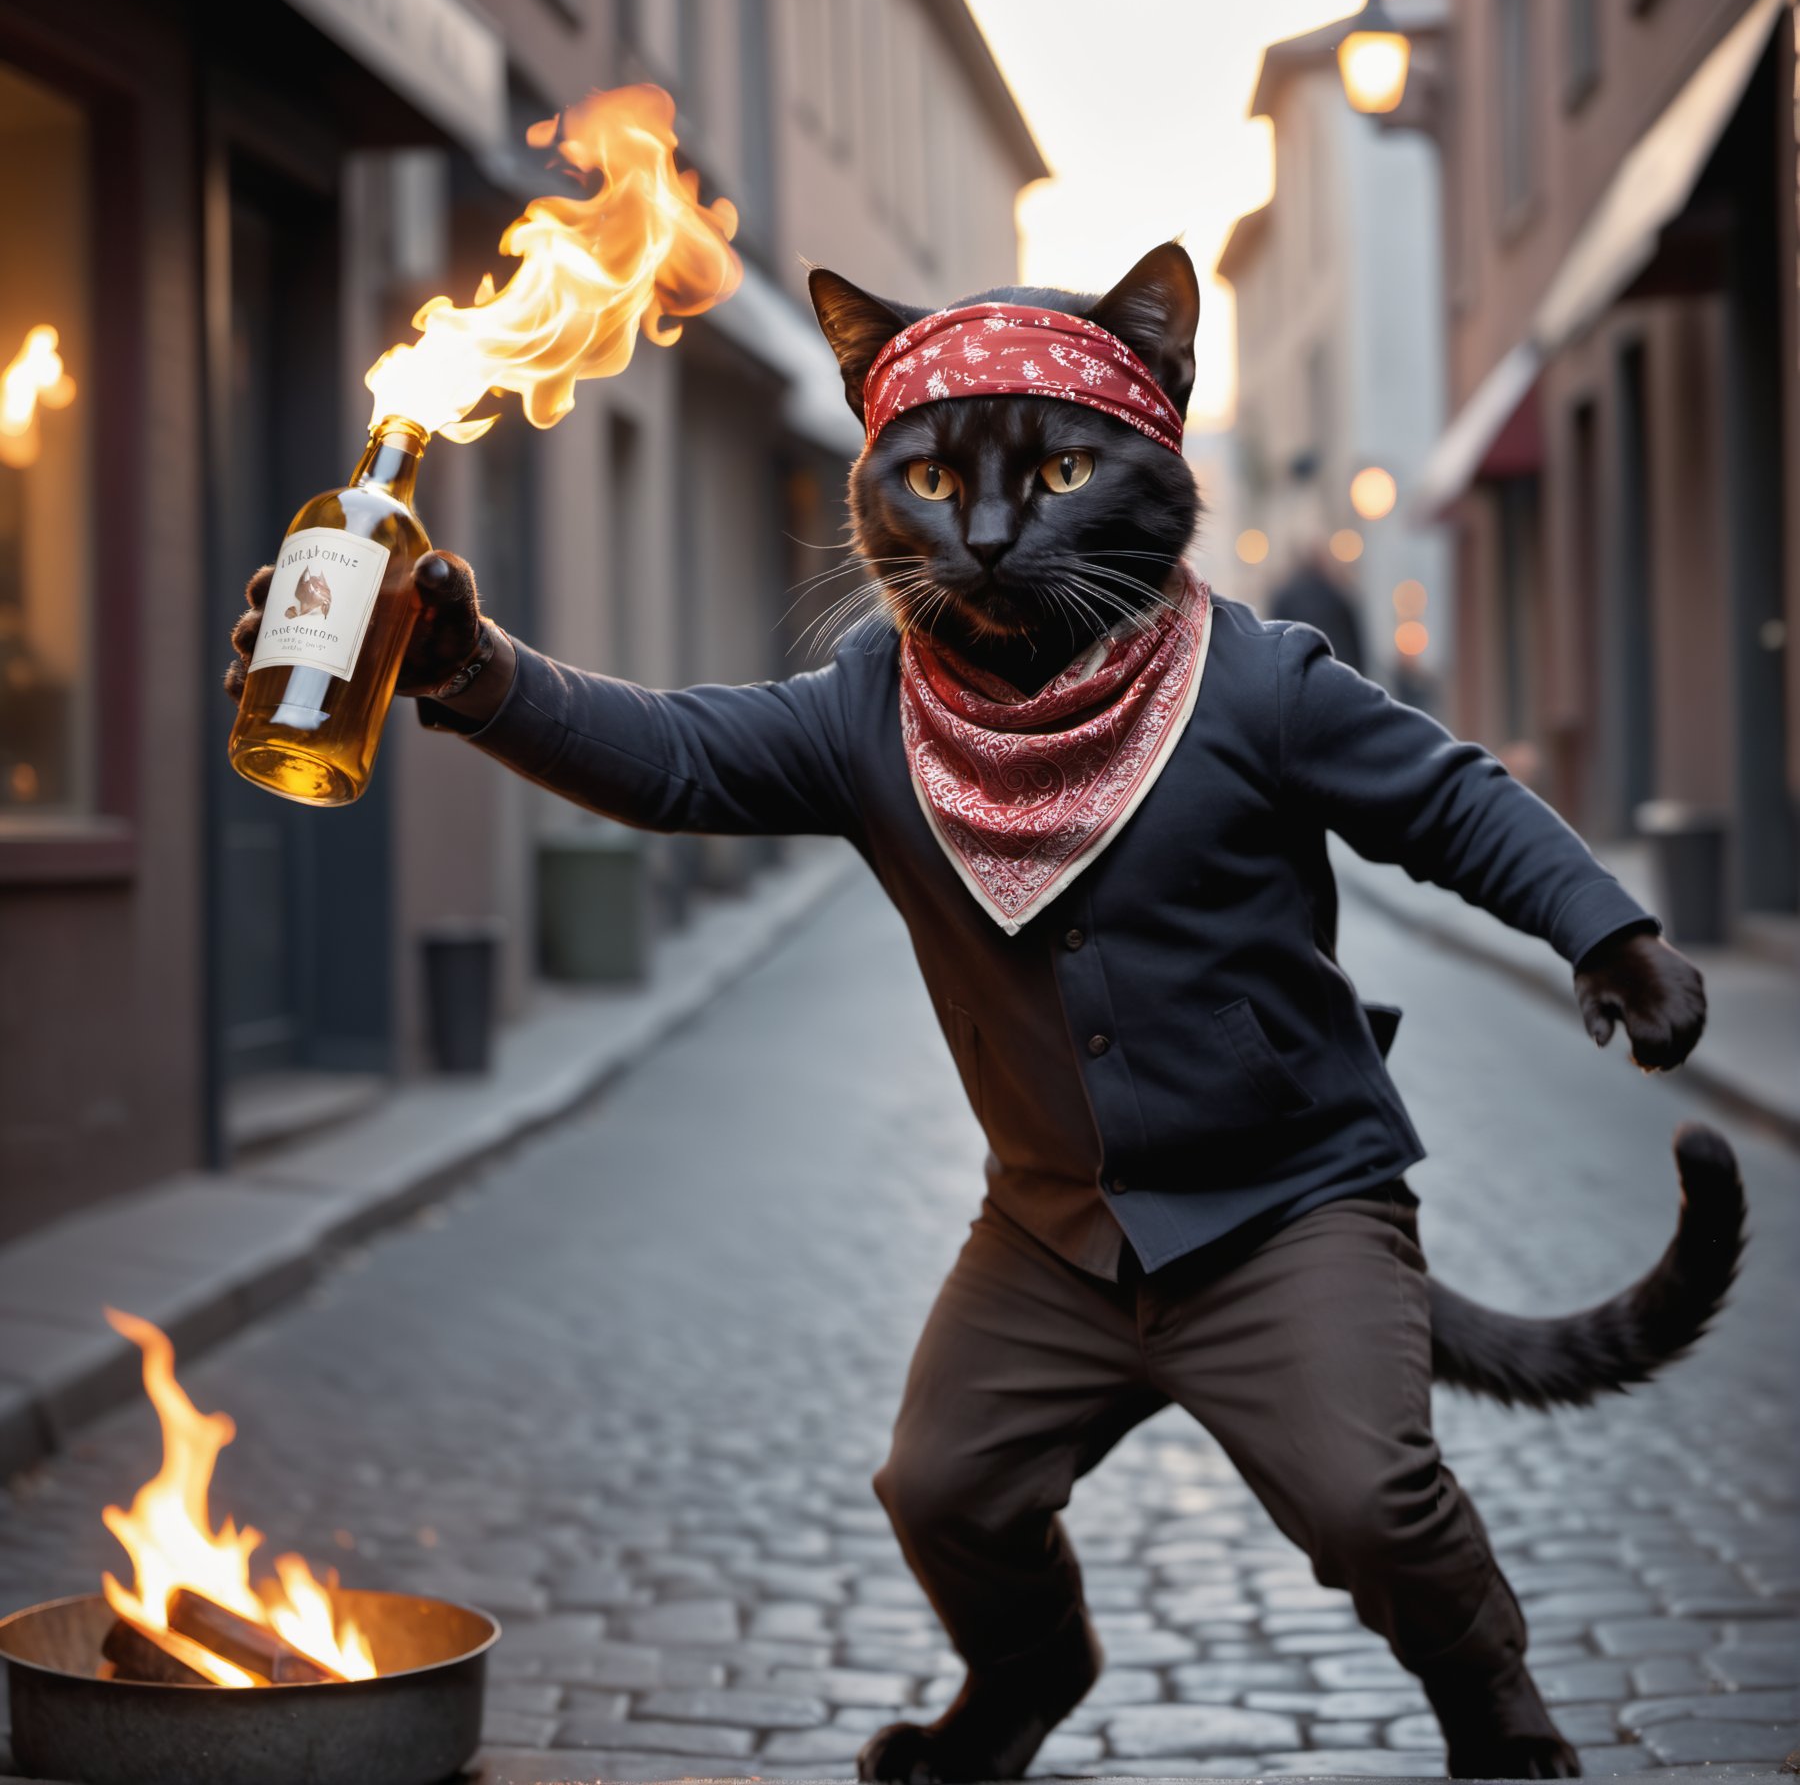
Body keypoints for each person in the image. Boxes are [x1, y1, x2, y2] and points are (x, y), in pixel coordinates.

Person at [226, 244, 1723, 1784]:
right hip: (1056, 1229)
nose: (995, 531)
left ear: (1154, 448)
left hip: (1289, 1208)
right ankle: (1023, 1684)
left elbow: (1448, 803)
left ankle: (1498, 1710)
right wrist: (467, 669)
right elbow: (673, 759)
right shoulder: (873, 705)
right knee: (940, 1485)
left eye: (1060, 472)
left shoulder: (1254, 681)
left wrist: (1607, 935)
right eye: (938, 484)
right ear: (881, 488)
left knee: (1367, 1503)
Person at [1269, 551, 1367, 674]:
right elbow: (1353, 637)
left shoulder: (1284, 596)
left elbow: (1277, 637)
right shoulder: (1335, 593)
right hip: (1340, 665)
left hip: (1303, 669)